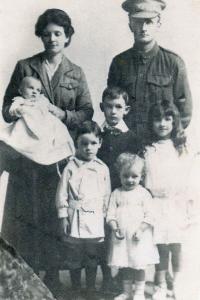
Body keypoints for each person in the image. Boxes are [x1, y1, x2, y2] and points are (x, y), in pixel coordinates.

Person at [1, 8, 93, 289]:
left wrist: (61, 114)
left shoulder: (75, 73)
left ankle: (53, 276)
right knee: (25, 216)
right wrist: (17, 111)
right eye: (47, 33)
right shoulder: (25, 66)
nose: (52, 39)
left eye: (58, 34)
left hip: (57, 157)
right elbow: (6, 109)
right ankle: (22, 278)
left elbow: (86, 112)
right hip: (26, 158)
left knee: (55, 215)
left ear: (67, 37)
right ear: (40, 36)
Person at [107, 0, 192, 142]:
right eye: (138, 22)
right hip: (126, 143)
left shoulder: (173, 63)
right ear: (130, 25)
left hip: (160, 145)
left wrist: (166, 140)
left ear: (158, 24)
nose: (143, 28)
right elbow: (112, 106)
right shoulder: (119, 63)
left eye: (149, 22)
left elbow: (185, 112)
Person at [56, 121, 111, 300]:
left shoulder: (103, 168)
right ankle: (75, 288)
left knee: (92, 254)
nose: (88, 148)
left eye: (93, 143)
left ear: (100, 143)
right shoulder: (70, 167)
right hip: (75, 218)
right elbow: (62, 194)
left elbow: (106, 195)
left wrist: (104, 217)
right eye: (84, 144)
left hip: (95, 218)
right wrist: (64, 217)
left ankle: (90, 289)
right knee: (74, 255)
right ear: (76, 143)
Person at [97, 86, 140, 295]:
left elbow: (136, 169)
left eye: (118, 107)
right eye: (108, 107)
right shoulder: (97, 135)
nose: (113, 111)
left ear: (127, 110)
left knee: (124, 235)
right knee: (104, 237)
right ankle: (107, 279)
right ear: (101, 108)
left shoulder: (132, 138)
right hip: (100, 196)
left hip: (123, 197)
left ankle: (124, 280)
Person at [144, 101, 188, 300]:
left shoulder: (180, 148)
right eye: (157, 119)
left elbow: (187, 177)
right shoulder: (148, 150)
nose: (162, 124)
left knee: (176, 245)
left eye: (167, 119)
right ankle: (160, 283)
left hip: (176, 203)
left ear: (174, 121)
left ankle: (177, 282)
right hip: (156, 204)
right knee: (161, 245)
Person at [107, 153, 159, 300]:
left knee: (139, 264)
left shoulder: (143, 194)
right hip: (122, 237)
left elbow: (150, 215)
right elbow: (110, 215)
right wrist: (115, 228)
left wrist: (141, 230)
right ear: (120, 175)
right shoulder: (116, 193)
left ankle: (139, 292)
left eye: (134, 176)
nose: (130, 180)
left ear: (141, 177)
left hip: (139, 236)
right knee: (125, 264)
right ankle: (127, 291)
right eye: (125, 176)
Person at [0, 76, 74, 167]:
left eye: (38, 90)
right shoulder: (20, 101)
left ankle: (61, 152)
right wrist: (18, 111)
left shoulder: (42, 100)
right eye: (31, 88)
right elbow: (12, 110)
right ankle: (28, 150)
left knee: (59, 130)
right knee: (21, 135)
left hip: (44, 124)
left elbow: (50, 107)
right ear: (21, 91)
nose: (35, 92)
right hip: (27, 124)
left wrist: (53, 109)